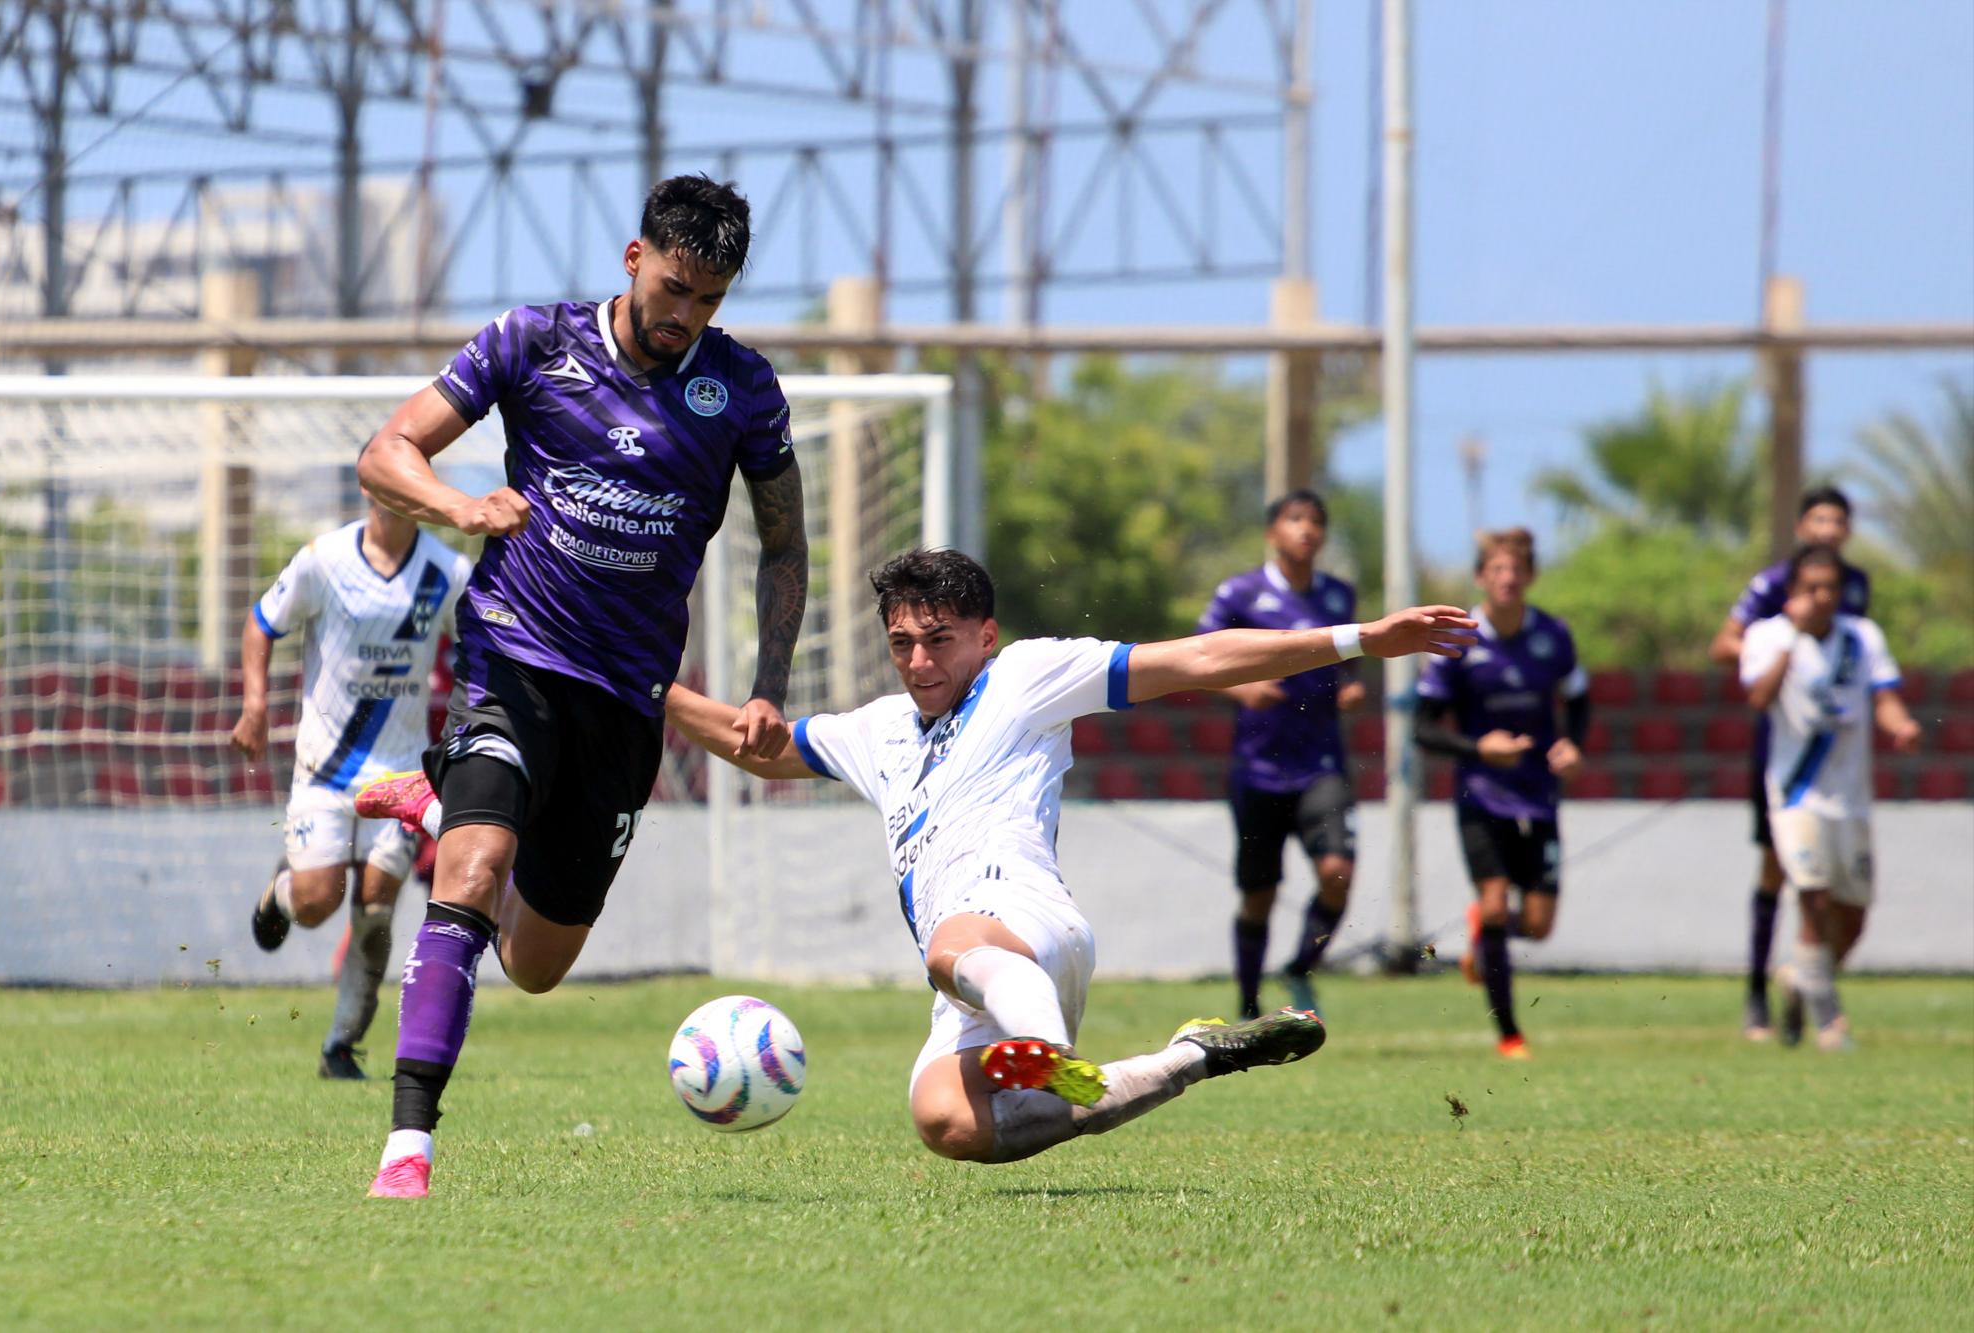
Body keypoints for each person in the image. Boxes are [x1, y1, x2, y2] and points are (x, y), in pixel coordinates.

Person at [665, 548, 1475, 1166]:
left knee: (953, 943)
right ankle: (1188, 1057)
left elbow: (1194, 660)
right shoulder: (875, 730)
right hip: (976, 978)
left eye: (939, 641)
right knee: (945, 1120)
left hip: (1023, 920)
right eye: (902, 643)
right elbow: (758, 748)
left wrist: (1362, 638)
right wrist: (641, 687)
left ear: (984, 635)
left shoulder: (1026, 675)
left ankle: (1047, 1051)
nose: (918, 663)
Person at [347, 174, 808, 1199]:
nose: (685, 316)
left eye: (710, 300)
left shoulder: (742, 389)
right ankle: (407, 1150)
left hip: (625, 701)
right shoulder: (532, 340)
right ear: (635, 256)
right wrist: (460, 506)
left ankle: (435, 801)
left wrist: (767, 684)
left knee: (537, 964)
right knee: (469, 871)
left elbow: (785, 545)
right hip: (510, 659)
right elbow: (386, 453)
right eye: (676, 287)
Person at [231, 499, 471, 1080]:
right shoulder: (323, 560)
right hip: (324, 768)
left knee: (375, 910)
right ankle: (282, 893)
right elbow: (263, 623)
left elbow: (481, 646)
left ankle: (341, 1047)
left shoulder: (446, 573)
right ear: (370, 492)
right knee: (319, 901)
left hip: (399, 774)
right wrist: (256, 704)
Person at [1415, 528, 1590, 1061]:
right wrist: (1477, 747)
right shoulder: (1458, 640)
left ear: (1530, 577)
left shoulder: (1553, 636)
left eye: (1517, 570)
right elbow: (1422, 727)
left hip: (1538, 794)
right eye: (1497, 570)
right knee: (1495, 906)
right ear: (1481, 578)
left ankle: (1480, 933)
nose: (1508, 579)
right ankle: (1510, 1034)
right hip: (1481, 794)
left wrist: (1572, 746)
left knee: (1537, 926)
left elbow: (1579, 701)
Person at [1739, 544, 1919, 1051]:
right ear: (1793, 592)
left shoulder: (1862, 638)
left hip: (1851, 795)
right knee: (1812, 896)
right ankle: (1829, 1021)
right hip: (1796, 792)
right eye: (1810, 588)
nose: (1821, 598)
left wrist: (1901, 725)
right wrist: (1792, 639)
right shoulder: (1767, 635)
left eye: (1830, 589)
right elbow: (1757, 697)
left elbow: (1883, 697)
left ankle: (1800, 978)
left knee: (1853, 917)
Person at [1708, 487, 1871, 1041]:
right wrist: (1775, 643)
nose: (1827, 529)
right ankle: (1758, 991)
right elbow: (1724, 645)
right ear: (1803, 525)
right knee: (1781, 871)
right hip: (1786, 749)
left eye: (1837, 520)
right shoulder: (1773, 586)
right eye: (1818, 519)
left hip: (1840, 757)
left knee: (1835, 891)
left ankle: (1802, 979)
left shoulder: (1857, 588)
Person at [1196, 489, 1366, 1018]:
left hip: (1321, 766)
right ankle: (1248, 1005)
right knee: (1259, 895)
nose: (1307, 530)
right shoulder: (1241, 593)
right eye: (1295, 520)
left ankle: (1299, 969)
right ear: (1273, 533)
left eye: (1316, 521)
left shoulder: (1338, 596)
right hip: (1259, 768)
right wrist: (1241, 689)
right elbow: (1198, 659)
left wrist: (1352, 689)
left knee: (1337, 874)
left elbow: (1351, 664)